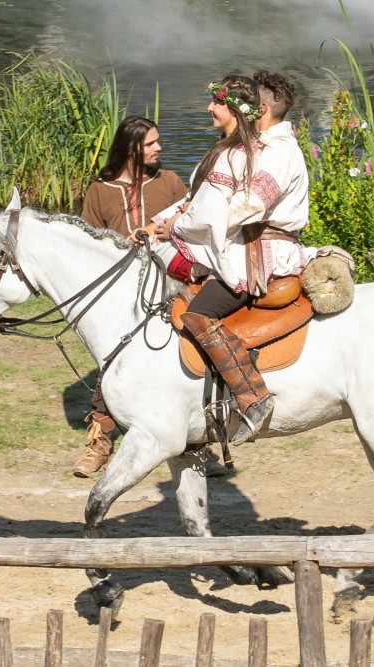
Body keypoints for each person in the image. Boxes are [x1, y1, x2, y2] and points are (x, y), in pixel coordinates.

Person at [131, 74, 313, 446]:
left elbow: (248, 205)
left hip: (261, 255)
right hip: (235, 246)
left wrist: (180, 227)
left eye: (218, 101)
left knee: (199, 313)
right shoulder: (249, 147)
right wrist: (158, 225)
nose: (209, 108)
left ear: (261, 108)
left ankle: (252, 395)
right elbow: (199, 201)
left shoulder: (279, 151)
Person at [73, 115, 228, 478]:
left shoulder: (170, 182)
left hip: (170, 287)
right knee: (112, 363)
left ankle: (196, 444)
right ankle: (99, 441)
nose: (160, 147)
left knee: (183, 360)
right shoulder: (100, 191)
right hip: (118, 295)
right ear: (131, 148)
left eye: (158, 141)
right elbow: (88, 245)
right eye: (151, 143)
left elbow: (189, 226)